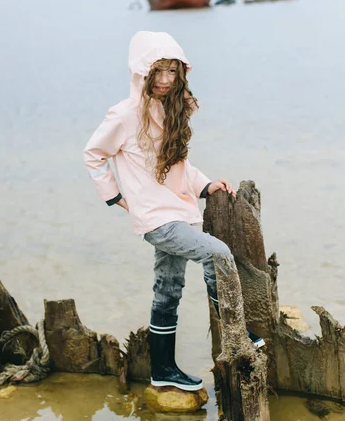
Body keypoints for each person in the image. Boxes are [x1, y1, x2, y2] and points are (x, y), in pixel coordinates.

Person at [83, 31, 264, 392]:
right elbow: (93, 154)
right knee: (218, 254)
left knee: (168, 290)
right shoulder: (124, 115)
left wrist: (205, 185)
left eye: (172, 71)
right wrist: (116, 197)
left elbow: (177, 165)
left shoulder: (172, 109)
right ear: (141, 72)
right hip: (156, 218)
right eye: (158, 72)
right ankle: (237, 332)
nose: (165, 80)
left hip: (178, 212)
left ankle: (163, 369)